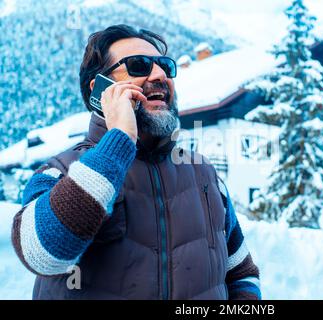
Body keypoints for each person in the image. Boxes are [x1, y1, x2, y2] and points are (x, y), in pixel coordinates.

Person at [11, 24, 261, 300]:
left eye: (165, 67)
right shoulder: (58, 171)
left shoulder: (205, 176)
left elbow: (241, 273)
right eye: (139, 65)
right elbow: (41, 254)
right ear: (100, 91)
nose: (159, 75)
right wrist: (120, 137)